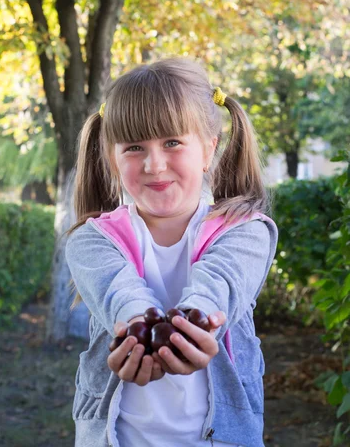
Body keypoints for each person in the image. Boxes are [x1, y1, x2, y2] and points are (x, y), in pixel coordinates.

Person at [66, 58, 278, 447]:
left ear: (208, 149)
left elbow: (219, 286)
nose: (154, 164)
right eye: (133, 147)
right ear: (112, 158)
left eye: (173, 142)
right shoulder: (91, 240)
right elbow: (121, 294)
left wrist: (195, 329)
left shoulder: (245, 231)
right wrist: (136, 331)